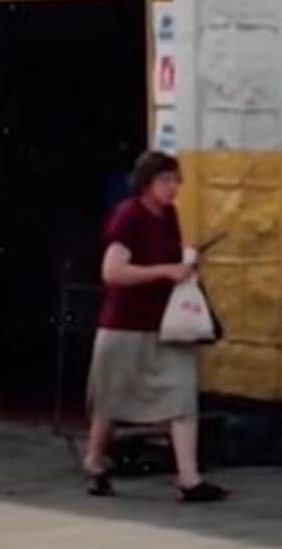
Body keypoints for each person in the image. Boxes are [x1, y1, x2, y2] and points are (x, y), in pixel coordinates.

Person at [83, 150, 229, 503]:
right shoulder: (128, 215)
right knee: (111, 403)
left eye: (176, 180)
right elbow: (113, 272)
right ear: (146, 182)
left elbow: (171, 260)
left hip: (166, 326)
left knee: (182, 394)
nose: (173, 187)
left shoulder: (170, 216)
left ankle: (189, 478)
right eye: (165, 180)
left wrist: (186, 264)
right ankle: (95, 461)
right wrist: (165, 271)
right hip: (125, 326)